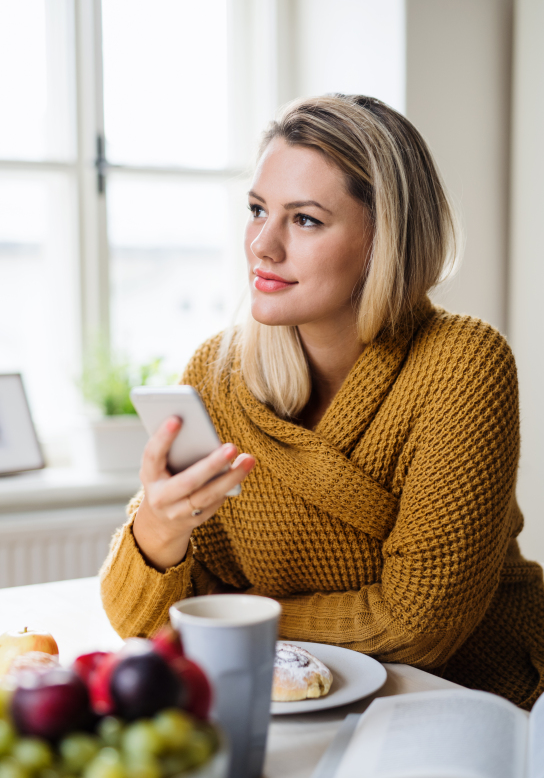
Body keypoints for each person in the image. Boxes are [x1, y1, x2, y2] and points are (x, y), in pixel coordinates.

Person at [100, 94, 544, 710]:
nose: (262, 245)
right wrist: (158, 526)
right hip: (297, 707)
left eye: (304, 219)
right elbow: (142, 626)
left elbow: (422, 626)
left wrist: (238, 623)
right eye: (257, 210)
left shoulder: (463, 362)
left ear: (385, 235)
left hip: (470, 701)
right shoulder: (219, 372)